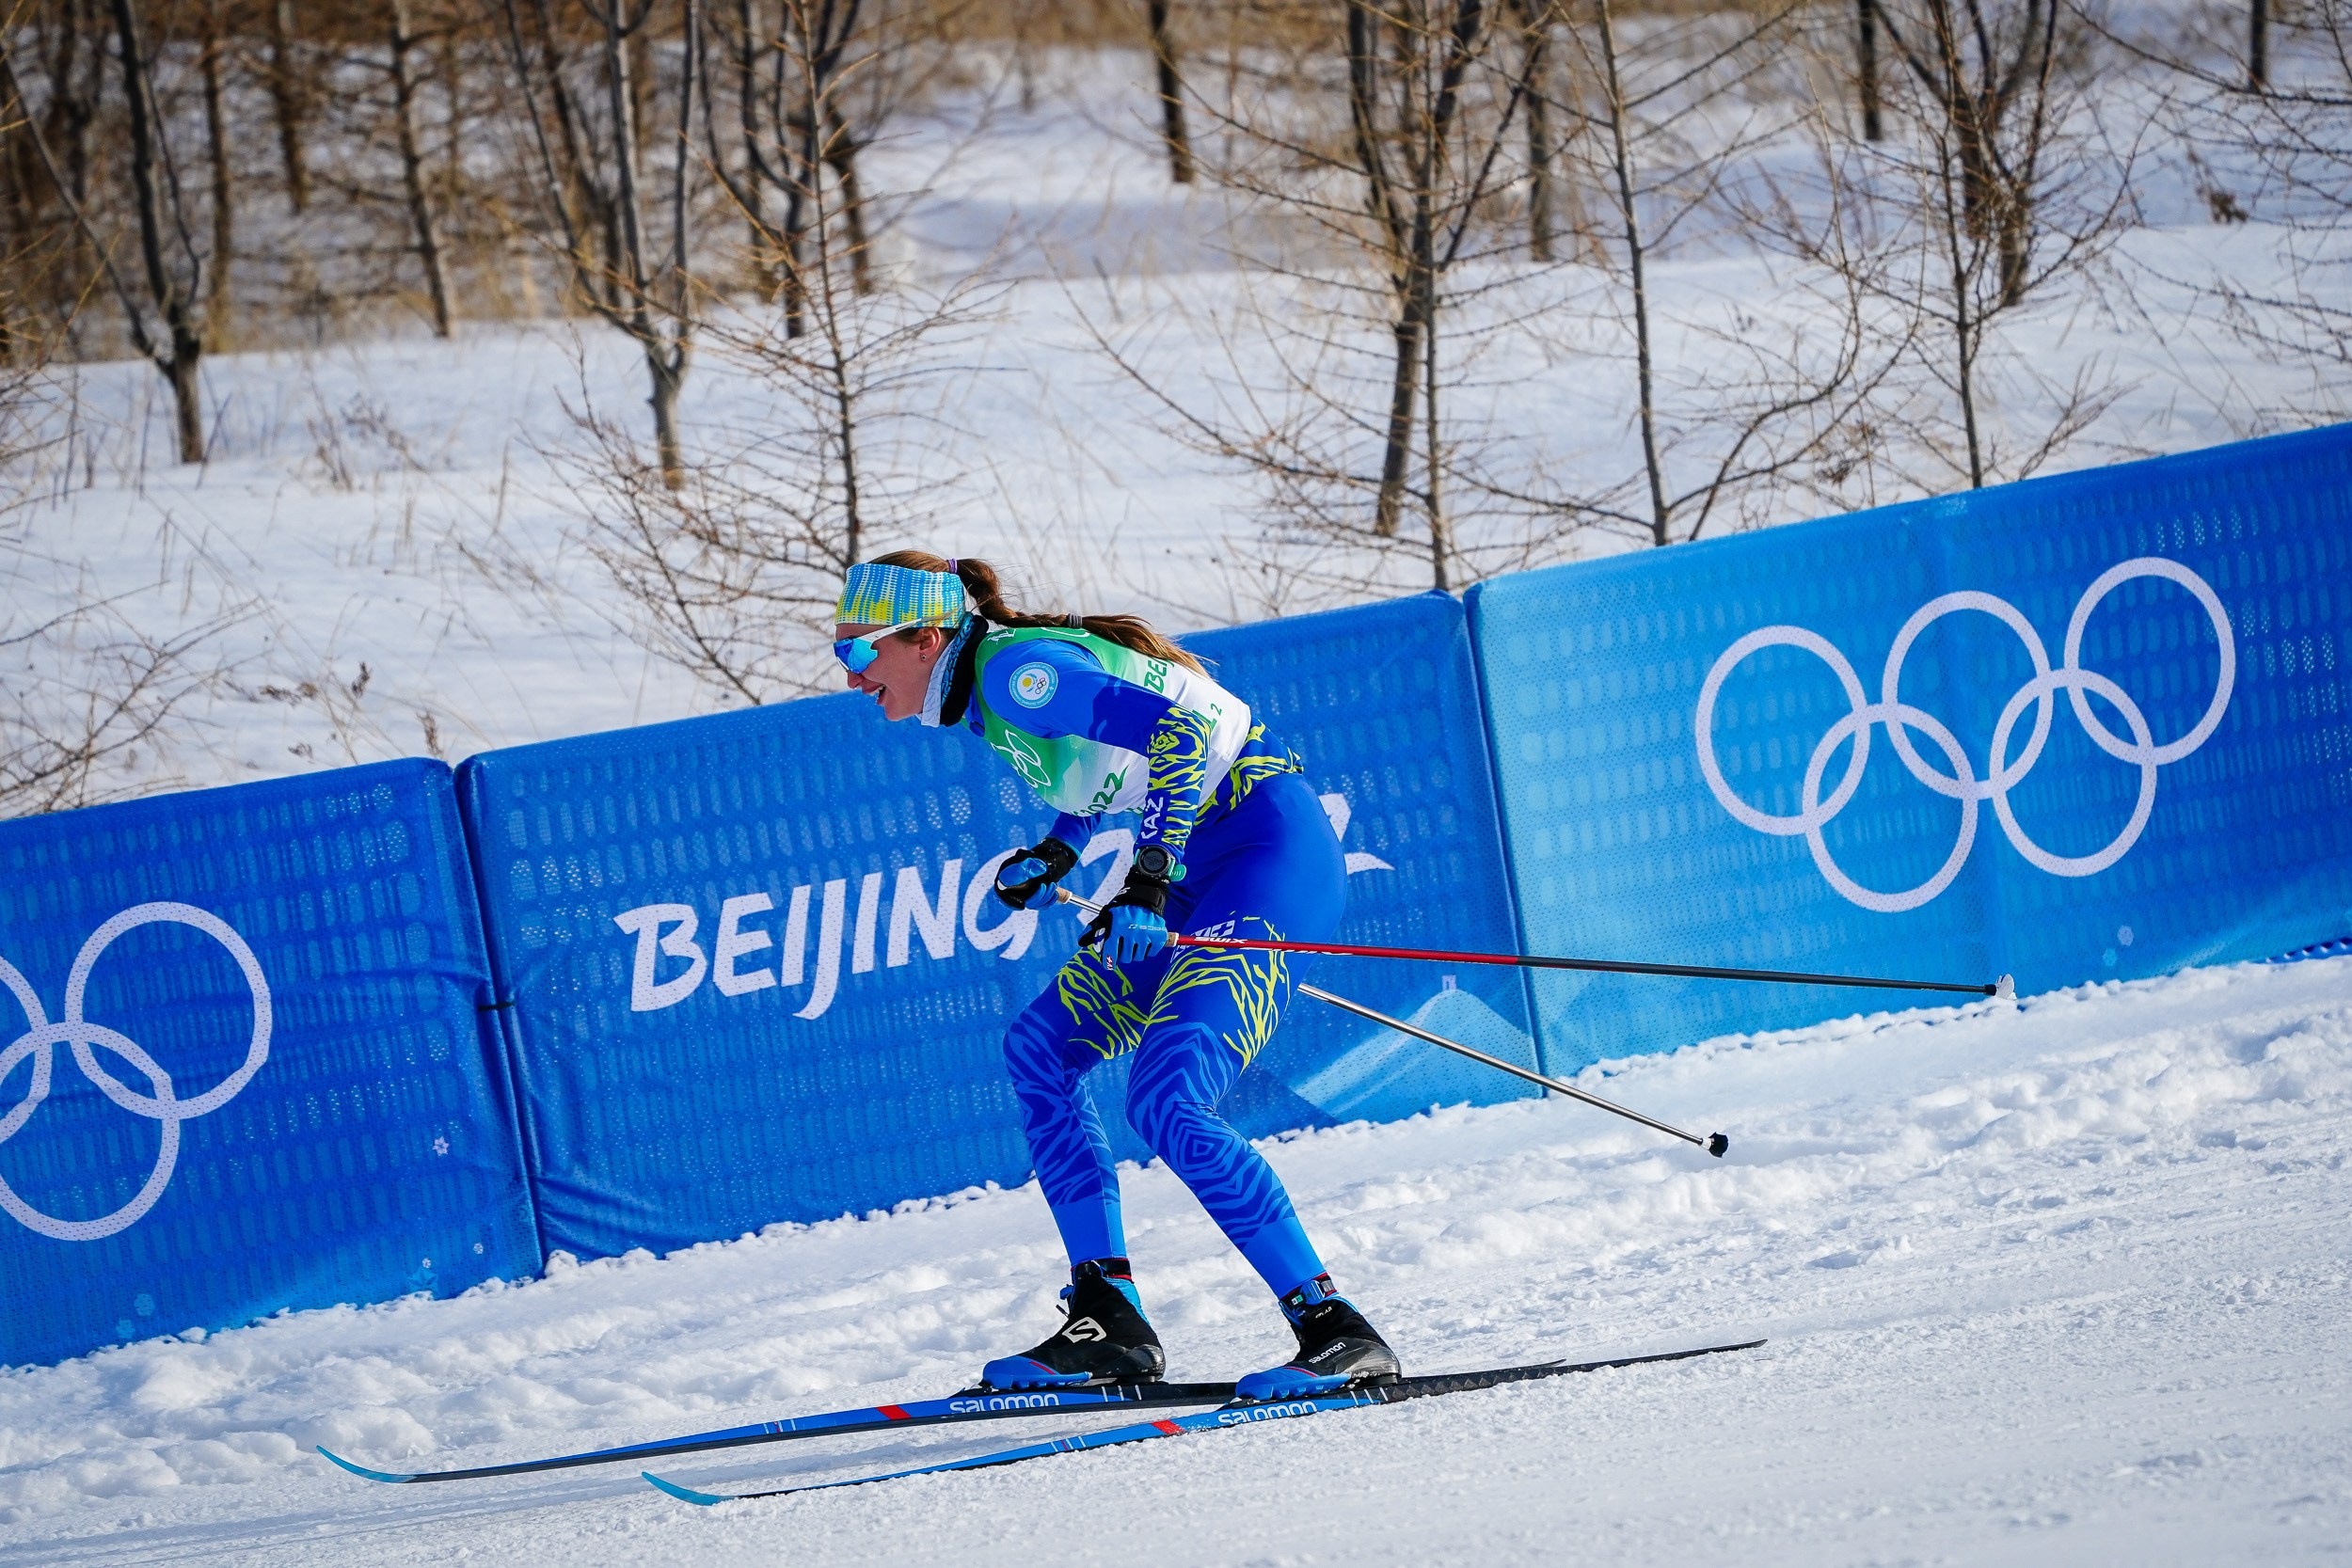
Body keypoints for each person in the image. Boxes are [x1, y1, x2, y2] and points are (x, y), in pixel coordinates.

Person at [832, 552, 1399, 1401]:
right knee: (1040, 1051)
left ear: (924, 638)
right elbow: (1107, 762)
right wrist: (1060, 847)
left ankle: (1335, 1327)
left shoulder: (1021, 670)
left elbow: (1183, 731)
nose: (850, 678)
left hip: (1263, 853)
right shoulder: (989, 685)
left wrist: (1146, 880)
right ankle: (1108, 1318)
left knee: (1167, 1098)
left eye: (856, 653)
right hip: (1198, 865)